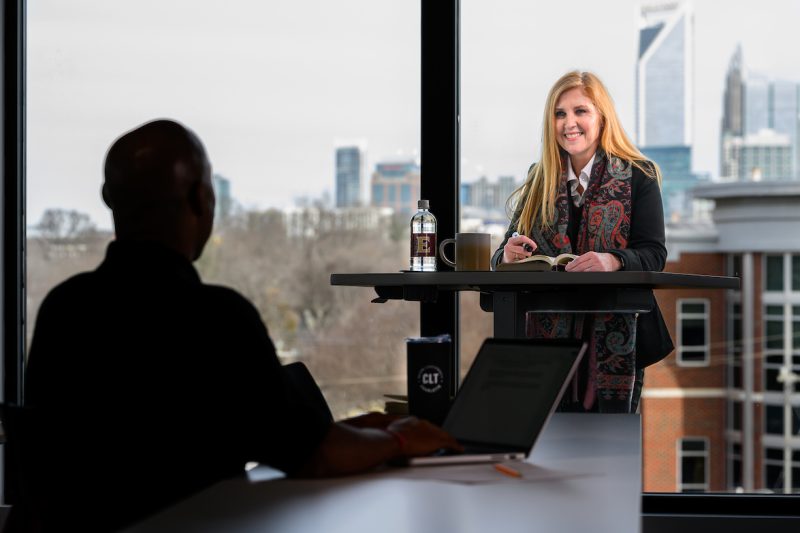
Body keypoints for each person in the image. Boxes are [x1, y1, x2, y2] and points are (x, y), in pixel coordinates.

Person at [18, 119, 460, 532]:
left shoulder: (64, 308)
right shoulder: (215, 318)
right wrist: (401, 439)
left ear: (109, 200)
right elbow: (313, 456)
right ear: (200, 200)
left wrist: (360, 431)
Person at [491, 71, 673, 414]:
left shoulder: (639, 174)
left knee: (609, 451)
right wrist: (507, 255)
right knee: (547, 444)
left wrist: (614, 260)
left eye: (580, 111)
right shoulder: (539, 177)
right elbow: (504, 251)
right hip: (547, 336)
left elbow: (654, 254)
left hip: (616, 333)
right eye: (560, 113)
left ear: (601, 117)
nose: (568, 123)